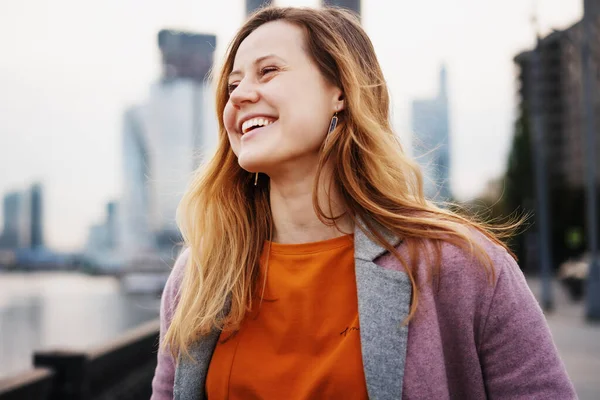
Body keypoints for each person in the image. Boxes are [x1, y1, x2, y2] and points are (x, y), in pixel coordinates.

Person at [151, 6, 576, 400]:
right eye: (233, 85)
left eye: (269, 71)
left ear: (340, 91)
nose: (240, 95)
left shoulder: (462, 263)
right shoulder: (200, 274)